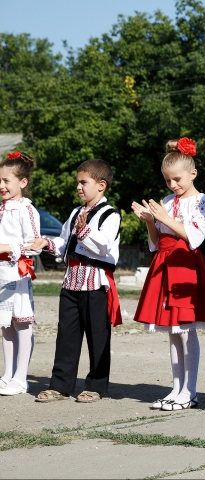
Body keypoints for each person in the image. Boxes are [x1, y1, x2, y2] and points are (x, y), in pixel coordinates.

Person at [133, 138, 205, 411]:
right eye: (168, 180)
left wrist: (163, 218)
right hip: (165, 262)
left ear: (193, 173)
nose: (173, 185)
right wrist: (151, 221)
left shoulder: (201, 201)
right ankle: (176, 389)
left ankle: (189, 391)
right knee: (172, 332)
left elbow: (195, 236)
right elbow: (156, 240)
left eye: (177, 179)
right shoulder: (167, 201)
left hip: (186, 266)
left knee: (186, 330)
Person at [31, 159, 122, 403]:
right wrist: (46, 243)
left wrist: (84, 231)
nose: (79, 187)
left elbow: (103, 247)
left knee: (97, 336)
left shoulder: (110, 215)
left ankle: (96, 385)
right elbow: (64, 243)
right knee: (66, 335)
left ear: (101, 185)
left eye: (84, 182)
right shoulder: (75, 213)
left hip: (95, 283)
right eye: (77, 183)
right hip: (71, 282)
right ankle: (61, 385)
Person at [0, 151, 41, 396]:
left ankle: (21, 377)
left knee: (21, 324)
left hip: (17, 271)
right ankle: (8, 373)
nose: (1, 186)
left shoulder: (26, 209)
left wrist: (8, 248)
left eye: (6, 181)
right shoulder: (1, 209)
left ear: (22, 182)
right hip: (0, 274)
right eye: (0, 180)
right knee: (5, 325)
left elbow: (35, 245)